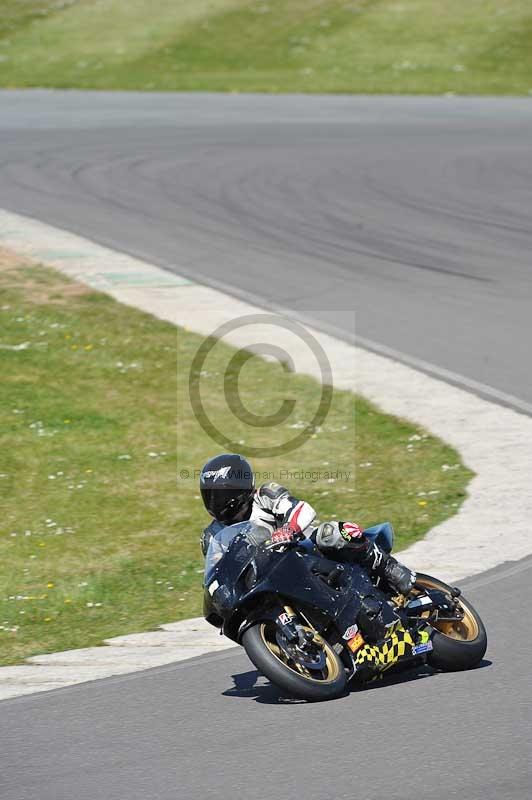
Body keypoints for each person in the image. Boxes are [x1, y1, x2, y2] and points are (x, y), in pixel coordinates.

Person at [199, 453, 416, 596]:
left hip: (305, 551)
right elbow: (220, 571)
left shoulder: (265, 495)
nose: (216, 502)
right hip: (270, 577)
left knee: (332, 533)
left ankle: (390, 568)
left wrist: (287, 529)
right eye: (210, 495)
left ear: (241, 489)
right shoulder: (212, 536)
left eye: (221, 494)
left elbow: (303, 509)